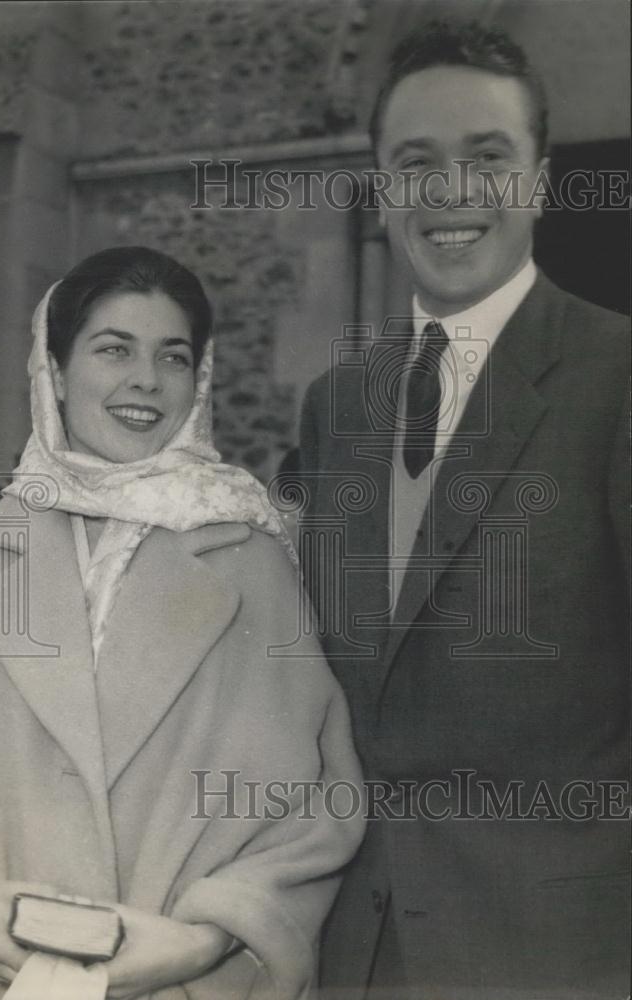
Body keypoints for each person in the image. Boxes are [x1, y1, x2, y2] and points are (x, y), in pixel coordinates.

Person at [0, 246, 365, 999]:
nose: (146, 382)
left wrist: (205, 941)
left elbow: (314, 799)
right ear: (54, 371)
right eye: (113, 349)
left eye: (174, 357)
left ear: (200, 380)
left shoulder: (250, 559)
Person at [298, 20, 630, 1000]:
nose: (451, 192)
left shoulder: (616, 373)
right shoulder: (334, 406)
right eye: (417, 161)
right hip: (355, 954)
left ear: (539, 176)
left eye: (488, 157)